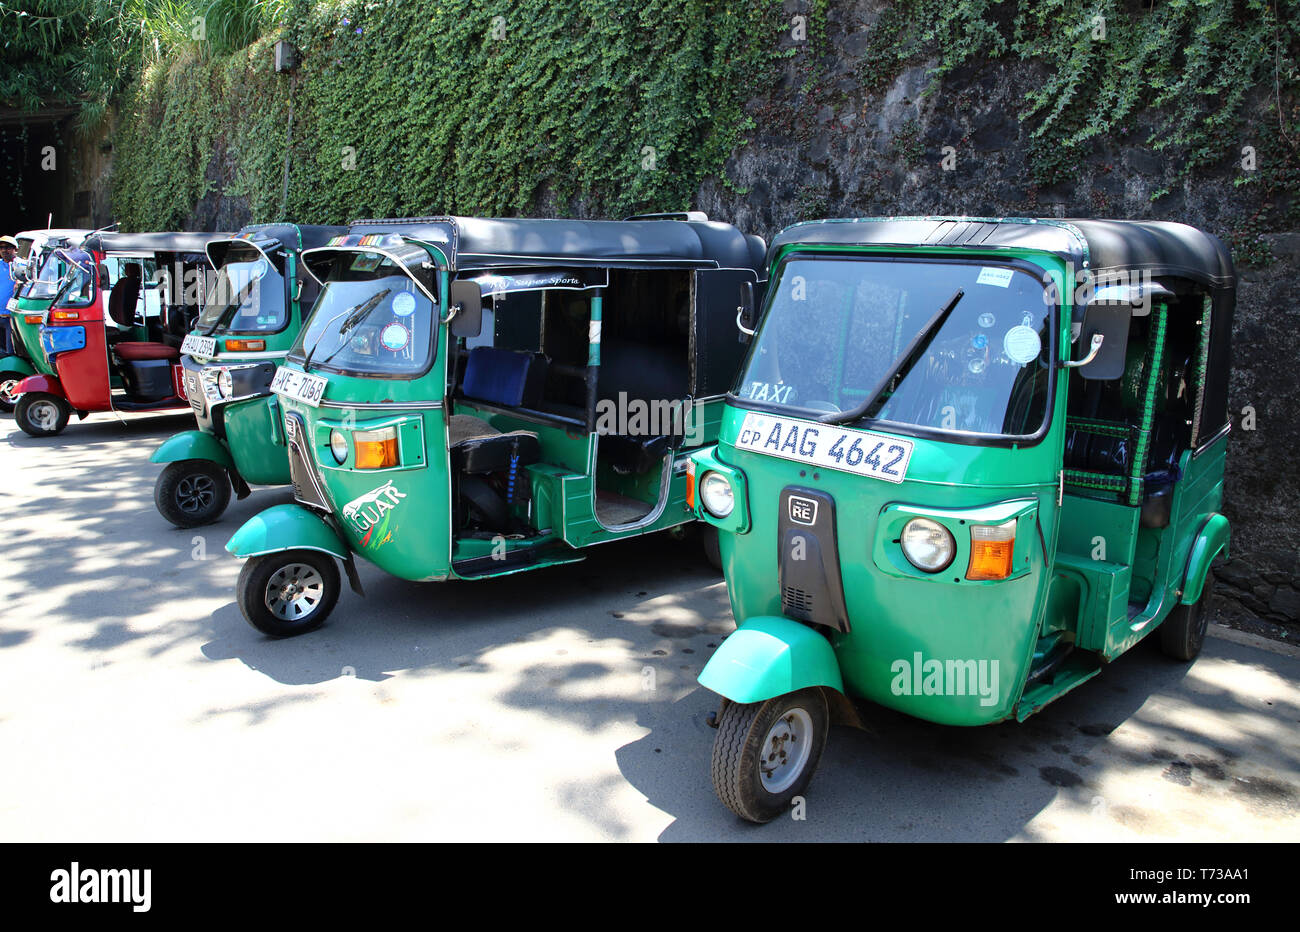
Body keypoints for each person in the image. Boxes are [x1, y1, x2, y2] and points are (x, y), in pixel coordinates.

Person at [0, 236, 18, 356]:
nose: (4, 250)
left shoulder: (22, 266)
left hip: (11, 317)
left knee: (10, 352)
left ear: (15, 249)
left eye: (7, 247)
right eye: (1, 247)